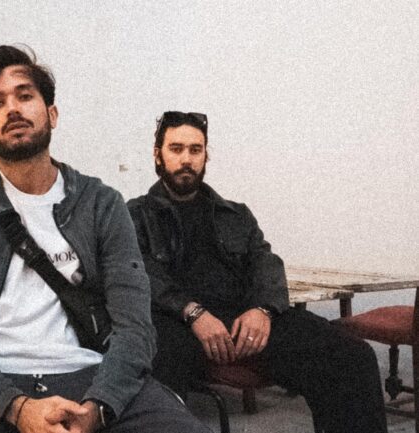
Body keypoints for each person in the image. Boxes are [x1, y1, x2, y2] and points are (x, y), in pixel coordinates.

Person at [0, 45, 210, 433]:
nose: (13, 108)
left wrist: (100, 406)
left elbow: (135, 327)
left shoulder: (101, 204)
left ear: (52, 114)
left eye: (25, 95)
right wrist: (16, 408)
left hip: (89, 372)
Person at [127, 111, 388, 433]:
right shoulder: (135, 214)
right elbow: (141, 273)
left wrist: (262, 310)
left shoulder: (235, 214)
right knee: (154, 364)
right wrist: (194, 313)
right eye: (176, 148)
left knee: (351, 356)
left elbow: (266, 263)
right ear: (158, 154)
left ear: (206, 154)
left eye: (195, 150)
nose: (186, 159)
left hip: (242, 317)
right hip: (176, 322)